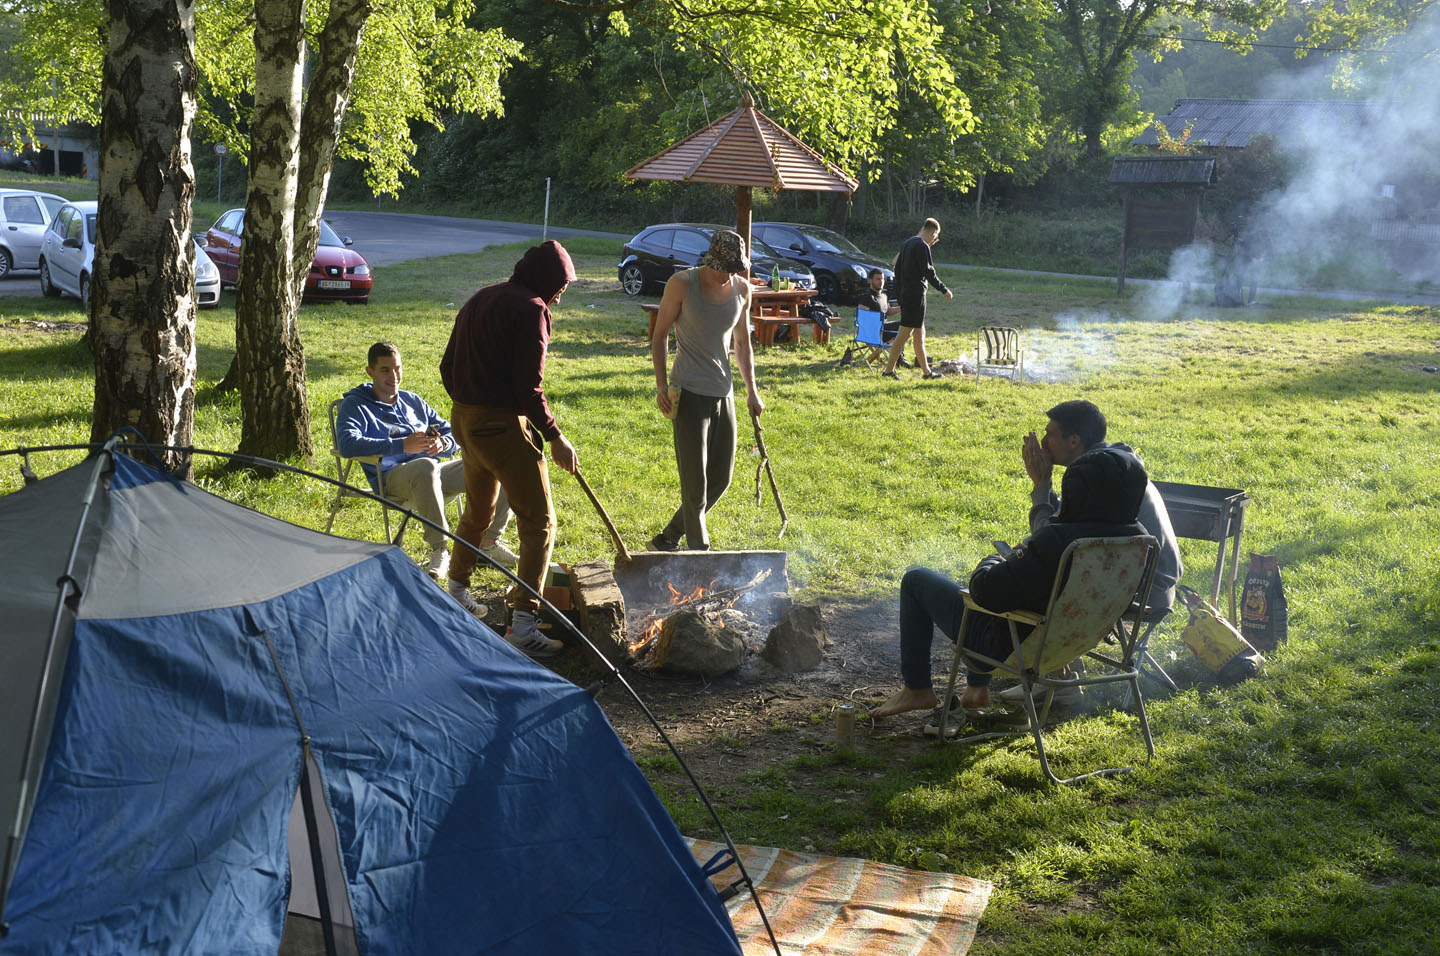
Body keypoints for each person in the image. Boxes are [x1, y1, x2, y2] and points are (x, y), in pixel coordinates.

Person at [869, 446, 1150, 723]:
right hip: (1072, 644)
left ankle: (917, 689)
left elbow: (985, 592)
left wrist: (994, 561)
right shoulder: (1138, 541)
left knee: (917, 580)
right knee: (1009, 599)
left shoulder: (1059, 542)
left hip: (1016, 650)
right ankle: (976, 690)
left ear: (1076, 492)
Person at [440, 240, 578, 658]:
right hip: (499, 426)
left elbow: (447, 366)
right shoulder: (533, 309)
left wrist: (470, 407)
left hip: (464, 419)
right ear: (546, 279)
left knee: (478, 512)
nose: (562, 292)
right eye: (562, 284)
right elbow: (529, 389)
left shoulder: (482, 297)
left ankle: (457, 593)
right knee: (539, 522)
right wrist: (554, 436)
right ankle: (523, 625)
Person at [336, 342, 518, 595]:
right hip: (391, 476)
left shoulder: (412, 401)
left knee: (498, 463)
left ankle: (488, 543)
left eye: (397, 369)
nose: (394, 376)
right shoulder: (356, 405)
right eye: (385, 370)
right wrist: (401, 445)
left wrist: (444, 443)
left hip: (433, 472)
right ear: (370, 372)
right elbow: (346, 444)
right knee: (424, 467)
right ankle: (440, 550)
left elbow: (453, 431)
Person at [649, 229, 764, 552]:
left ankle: (668, 537)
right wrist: (662, 384)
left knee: (720, 479)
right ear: (711, 258)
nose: (728, 273)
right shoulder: (683, 284)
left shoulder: (742, 289)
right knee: (695, 485)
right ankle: (700, 554)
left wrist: (752, 392)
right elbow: (660, 336)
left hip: (723, 392)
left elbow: (742, 343)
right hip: (687, 393)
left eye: (734, 267)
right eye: (723, 266)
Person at [882, 218, 953, 380]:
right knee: (903, 335)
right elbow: (929, 272)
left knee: (919, 334)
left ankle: (927, 373)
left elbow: (896, 270)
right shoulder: (922, 246)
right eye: (935, 238)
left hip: (906, 295)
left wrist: (899, 296)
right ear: (934, 232)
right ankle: (888, 371)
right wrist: (944, 290)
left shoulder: (907, 243)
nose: (934, 241)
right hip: (915, 296)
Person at [854, 267, 909, 368]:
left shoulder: (884, 295)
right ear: (870, 280)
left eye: (882, 279)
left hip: (883, 329)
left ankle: (899, 356)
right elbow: (862, 319)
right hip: (872, 333)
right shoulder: (866, 297)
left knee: (906, 324)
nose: (881, 282)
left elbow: (888, 311)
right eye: (877, 279)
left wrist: (903, 308)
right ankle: (899, 358)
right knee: (903, 326)